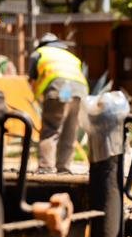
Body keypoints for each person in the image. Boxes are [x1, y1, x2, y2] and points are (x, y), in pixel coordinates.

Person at [27, 33, 88, 173]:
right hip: (80, 92)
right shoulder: (70, 56)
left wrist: (37, 97)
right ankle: (64, 168)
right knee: (70, 131)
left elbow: (32, 81)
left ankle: (46, 167)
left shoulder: (40, 53)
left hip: (58, 89)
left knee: (50, 129)